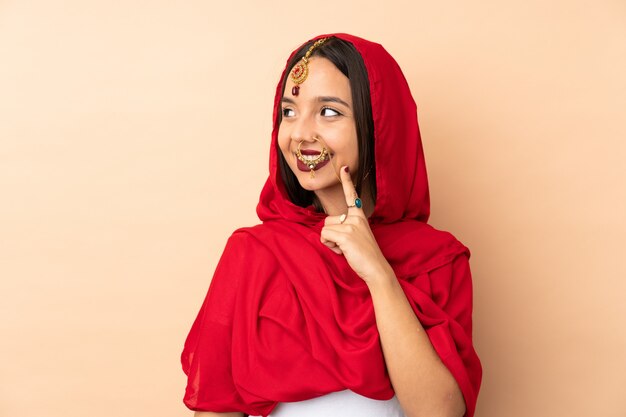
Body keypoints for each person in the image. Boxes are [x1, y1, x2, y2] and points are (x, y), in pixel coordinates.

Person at [180, 33, 483, 417]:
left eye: (328, 111)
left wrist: (378, 273)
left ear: (379, 124)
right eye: (289, 112)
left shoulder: (437, 259)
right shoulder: (255, 254)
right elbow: (216, 408)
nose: (301, 133)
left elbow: (440, 412)